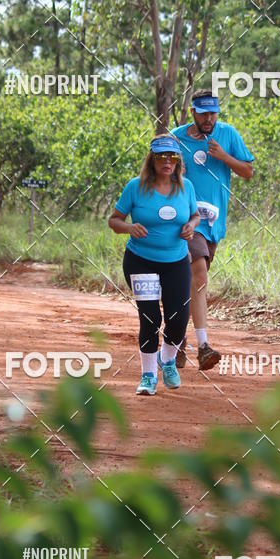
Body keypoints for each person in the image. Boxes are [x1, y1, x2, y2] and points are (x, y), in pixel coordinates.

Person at [108, 135, 200, 395]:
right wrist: (129, 227)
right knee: (150, 318)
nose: (167, 162)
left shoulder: (186, 187)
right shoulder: (135, 187)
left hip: (176, 262)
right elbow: (114, 220)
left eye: (172, 157)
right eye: (161, 156)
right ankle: (148, 376)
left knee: (179, 319)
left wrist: (191, 226)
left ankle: (167, 360)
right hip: (141, 261)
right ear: (152, 160)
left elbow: (195, 215)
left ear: (178, 161)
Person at [171, 89, 254, 370]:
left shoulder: (227, 134)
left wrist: (223, 156)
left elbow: (248, 171)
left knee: (192, 286)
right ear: (192, 112)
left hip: (213, 223)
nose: (209, 119)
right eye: (203, 113)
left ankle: (176, 340)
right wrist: (176, 174)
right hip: (186, 221)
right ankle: (204, 346)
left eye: (213, 114)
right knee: (199, 275)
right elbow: (157, 174)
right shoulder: (176, 138)